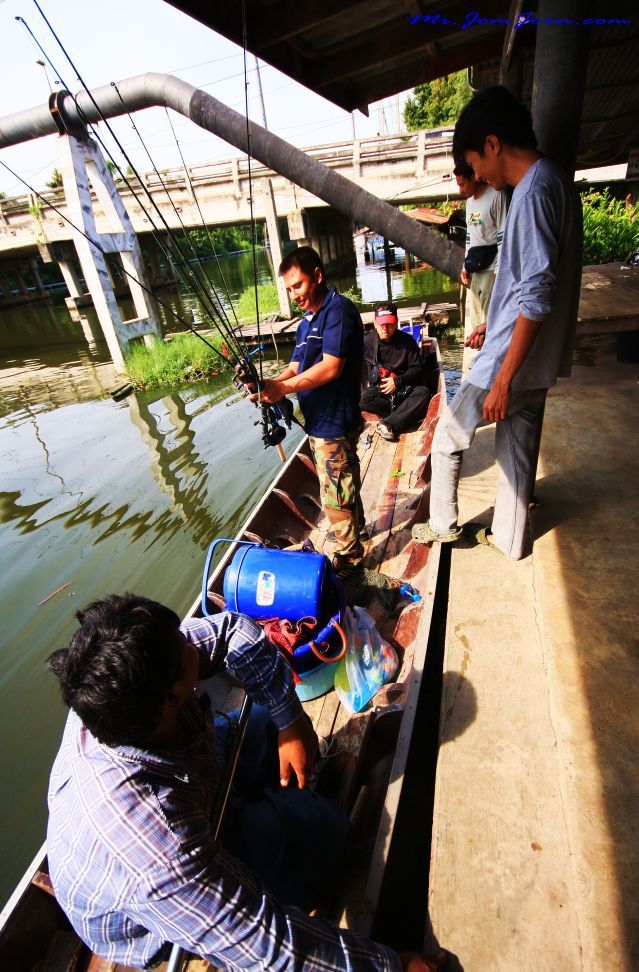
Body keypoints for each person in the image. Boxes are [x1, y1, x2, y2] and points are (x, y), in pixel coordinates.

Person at [46, 594, 447, 972]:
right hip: (160, 911)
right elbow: (268, 943)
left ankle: (266, 798)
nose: (193, 644)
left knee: (266, 723)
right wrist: (390, 965)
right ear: (170, 699)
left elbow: (231, 632)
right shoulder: (157, 854)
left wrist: (291, 719)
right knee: (325, 829)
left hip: (189, 780)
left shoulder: (117, 690)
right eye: (184, 650)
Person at [412, 86, 582, 560]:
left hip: (508, 364)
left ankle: (443, 525)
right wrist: (495, 324)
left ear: (492, 144)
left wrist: (503, 374)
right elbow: (533, 283)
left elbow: (537, 293)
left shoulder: (531, 192)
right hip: (538, 359)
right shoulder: (556, 182)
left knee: (448, 438)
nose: (477, 174)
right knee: (517, 453)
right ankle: (511, 540)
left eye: (474, 161)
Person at [250, 246, 366, 581]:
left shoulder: (338, 310)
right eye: (289, 289)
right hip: (318, 422)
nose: (294, 295)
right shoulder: (306, 324)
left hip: (334, 421)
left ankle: (350, 563)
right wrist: (269, 384)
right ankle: (357, 532)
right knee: (344, 482)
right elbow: (294, 369)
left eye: (298, 285)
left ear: (317, 275)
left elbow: (331, 368)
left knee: (334, 494)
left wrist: (284, 389)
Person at [360, 303, 431, 442]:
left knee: (424, 393)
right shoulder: (367, 342)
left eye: (390, 324)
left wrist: (397, 382)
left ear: (396, 322)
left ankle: (388, 424)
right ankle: (403, 415)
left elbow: (417, 369)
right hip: (382, 392)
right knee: (362, 400)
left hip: (404, 390)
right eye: (381, 325)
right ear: (375, 324)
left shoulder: (408, 341)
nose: (385, 328)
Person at [454, 160, 506, 339]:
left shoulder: (496, 195)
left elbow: (503, 233)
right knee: (476, 318)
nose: (460, 189)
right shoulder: (469, 203)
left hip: (491, 267)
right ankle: (480, 356)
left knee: (490, 317)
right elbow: (470, 236)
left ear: (474, 178)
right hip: (475, 267)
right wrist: (464, 266)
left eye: (462, 184)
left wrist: (500, 269)